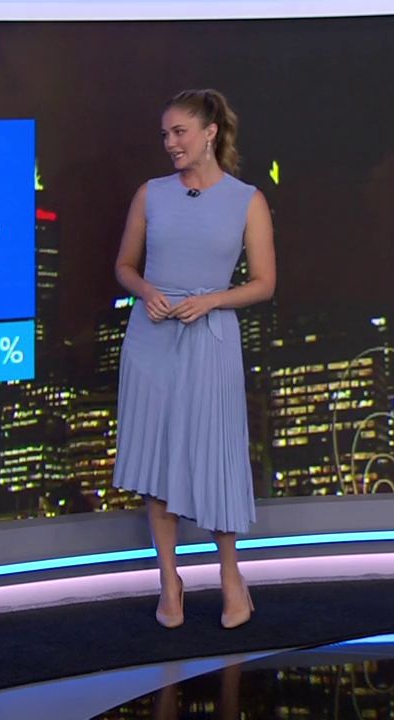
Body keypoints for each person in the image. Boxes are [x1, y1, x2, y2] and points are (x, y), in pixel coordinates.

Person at [111, 88, 276, 630]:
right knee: (159, 468)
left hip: (211, 337)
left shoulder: (247, 200)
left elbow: (264, 283)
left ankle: (231, 579)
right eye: (165, 134)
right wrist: (145, 290)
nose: (170, 143)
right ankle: (170, 582)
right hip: (152, 338)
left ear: (210, 132)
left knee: (214, 461)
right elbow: (125, 266)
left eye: (179, 132)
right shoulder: (151, 194)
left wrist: (211, 301)